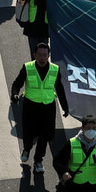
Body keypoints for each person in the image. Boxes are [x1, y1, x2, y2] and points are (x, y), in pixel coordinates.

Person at [11, 43, 69, 173]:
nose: (42, 58)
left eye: (45, 55)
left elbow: (59, 88)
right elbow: (17, 83)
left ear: (48, 56)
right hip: (30, 106)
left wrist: (65, 107)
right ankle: (26, 149)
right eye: (40, 55)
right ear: (34, 55)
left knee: (46, 135)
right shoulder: (27, 67)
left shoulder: (55, 69)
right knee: (29, 132)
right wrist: (14, 94)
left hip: (48, 107)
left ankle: (38, 160)